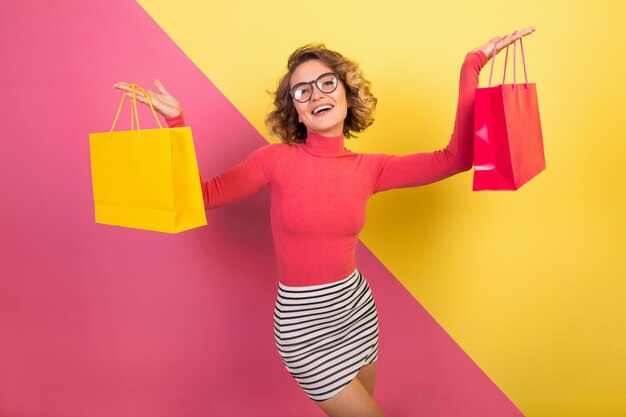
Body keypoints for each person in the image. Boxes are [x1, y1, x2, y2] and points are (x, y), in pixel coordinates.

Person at [113, 27, 535, 417]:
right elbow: (199, 196)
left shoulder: (371, 168)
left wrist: (471, 65)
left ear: (346, 94)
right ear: (295, 110)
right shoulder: (274, 161)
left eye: (326, 82)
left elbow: (457, 158)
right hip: (302, 325)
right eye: (302, 90)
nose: (316, 93)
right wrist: (174, 121)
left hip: (355, 310)